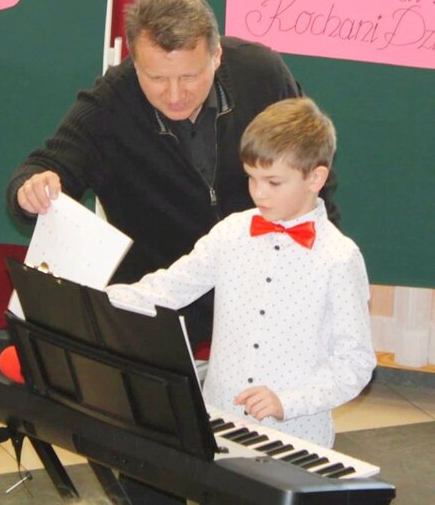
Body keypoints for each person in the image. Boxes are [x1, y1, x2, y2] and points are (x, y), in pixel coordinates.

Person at [6, 0, 339, 354]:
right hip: (160, 297)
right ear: (134, 62)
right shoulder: (110, 104)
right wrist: (30, 190)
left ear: (216, 55)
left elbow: (313, 173)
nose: (176, 94)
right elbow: (42, 168)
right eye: (157, 79)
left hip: (265, 285)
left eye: (190, 76)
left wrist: (321, 263)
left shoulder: (261, 74)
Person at [107, 97, 376, 448]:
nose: (259, 193)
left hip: (296, 436)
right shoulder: (232, 232)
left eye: (274, 182)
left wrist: (288, 402)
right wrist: (93, 297)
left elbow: (355, 362)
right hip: (219, 423)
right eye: (251, 178)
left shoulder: (339, 258)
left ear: (316, 178)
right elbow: (169, 287)